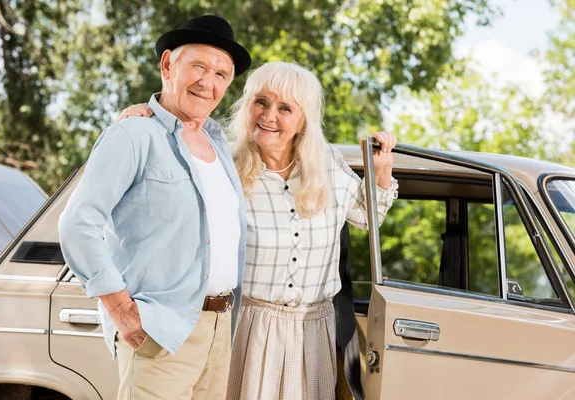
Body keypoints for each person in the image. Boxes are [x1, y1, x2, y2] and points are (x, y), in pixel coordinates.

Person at [118, 62, 398, 400]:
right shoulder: (223, 163)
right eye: (260, 102)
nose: (269, 116)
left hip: (314, 331)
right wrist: (138, 121)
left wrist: (381, 171)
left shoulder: (329, 166)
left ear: (303, 120)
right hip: (249, 327)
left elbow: (369, 217)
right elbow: (162, 186)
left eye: (285, 108)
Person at [58, 15, 251, 400]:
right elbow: (78, 222)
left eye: (220, 73)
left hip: (219, 330)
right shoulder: (133, 134)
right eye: (198, 66)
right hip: (160, 331)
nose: (207, 82)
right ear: (167, 65)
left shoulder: (219, 148)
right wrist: (120, 310)